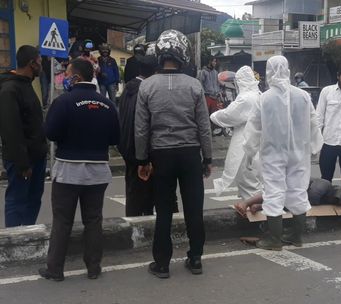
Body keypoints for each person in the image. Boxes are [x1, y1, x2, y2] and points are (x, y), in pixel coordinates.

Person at [135, 29, 212, 278]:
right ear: (183, 55)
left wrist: (142, 160)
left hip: (161, 155)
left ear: (160, 54)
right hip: (190, 154)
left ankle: (162, 264)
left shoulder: (146, 86)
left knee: (164, 211)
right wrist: (207, 158)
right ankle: (196, 258)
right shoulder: (194, 85)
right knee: (193, 208)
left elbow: (141, 129)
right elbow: (204, 127)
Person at [38, 58, 120, 281]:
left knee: (62, 221)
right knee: (93, 220)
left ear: (76, 77)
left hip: (68, 171)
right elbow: (115, 138)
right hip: (98, 171)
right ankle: (93, 268)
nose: (65, 77)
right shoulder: (107, 104)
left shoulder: (64, 102)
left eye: (68, 73)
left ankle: (55, 269)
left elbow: (51, 133)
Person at [242, 55, 323, 250]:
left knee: (274, 193)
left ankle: (274, 239)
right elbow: (314, 123)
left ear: (269, 72)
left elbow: (254, 128)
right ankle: (296, 236)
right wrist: (314, 147)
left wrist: (249, 153)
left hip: (273, 154)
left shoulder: (265, 99)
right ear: (287, 71)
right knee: (297, 191)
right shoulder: (303, 96)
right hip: (298, 153)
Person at [0, 45, 47, 228]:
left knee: (33, 200)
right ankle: (14, 245)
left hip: (36, 157)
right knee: (17, 202)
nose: (41, 67)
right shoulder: (9, 90)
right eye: (40, 62)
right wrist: (23, 164)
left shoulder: (25, 84)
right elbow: (11, 130)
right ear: (31, 64)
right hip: (22, 161)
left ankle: (29, 238)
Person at [210, 65, 262, 199]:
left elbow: (229, 115)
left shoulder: (245, 98)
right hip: (259, 143)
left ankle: (252, 213)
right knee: (256, 182)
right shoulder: (259, 94)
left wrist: (213, 116)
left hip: (246, 144)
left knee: (248, 183)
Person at [118, 54, 157, 216]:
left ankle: (132, 224)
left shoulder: (128, 87)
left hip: (126, 147)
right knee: (147, 196)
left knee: (132, 192)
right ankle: (143, 231)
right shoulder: (146, 90)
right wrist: (145, 157)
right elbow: (143, 125)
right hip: (140, 150)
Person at [234, 178, 341, 218]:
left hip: (297, 188)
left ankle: (257, 206)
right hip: (295, 186)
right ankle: (247, 203)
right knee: (278, 196)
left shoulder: (327, 192)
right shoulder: (325, 186)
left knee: (280, 199)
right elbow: (313, 197)